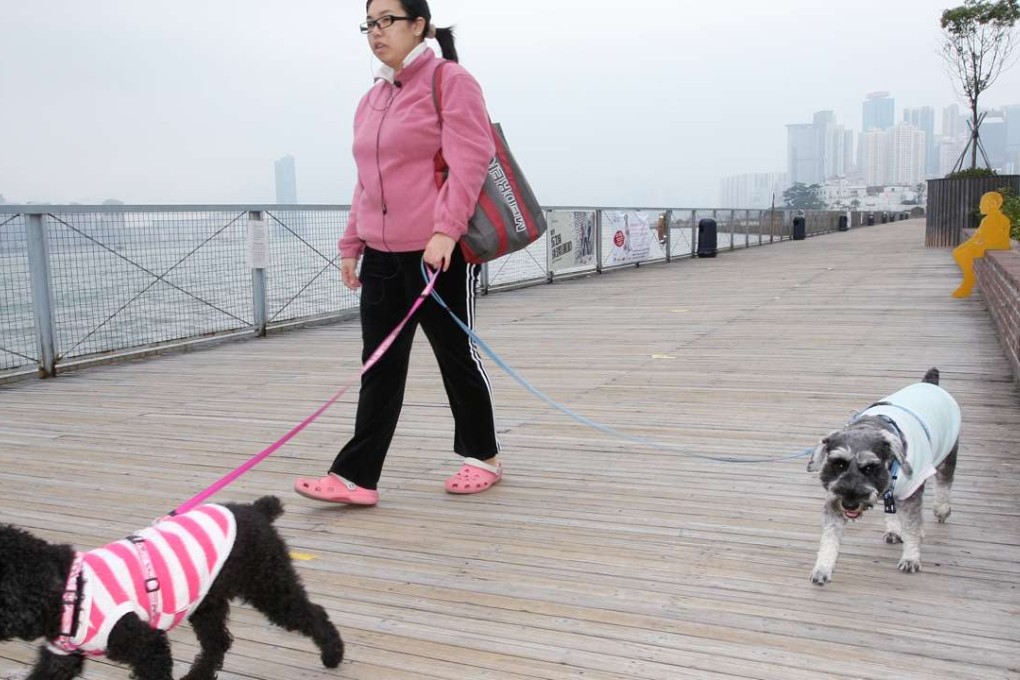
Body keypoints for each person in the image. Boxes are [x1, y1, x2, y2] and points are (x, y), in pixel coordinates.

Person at [294, 0, 501, 506]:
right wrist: (351, 243)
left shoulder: (450, 81)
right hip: (383, 256)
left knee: (456, 356)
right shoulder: (372, 99)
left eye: (387, 19)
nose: (376, 31)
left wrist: (447, 231)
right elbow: (366, 180)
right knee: (379, 364)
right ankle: (357, 476)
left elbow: (472, 159)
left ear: (419, 25)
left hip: (437, 254)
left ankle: (483, 456)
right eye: (369, 22)